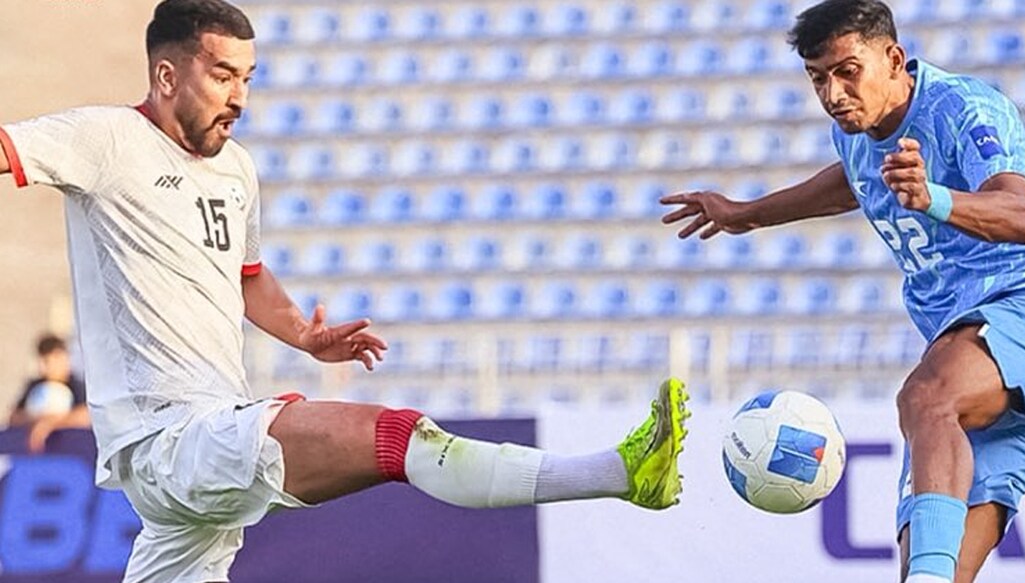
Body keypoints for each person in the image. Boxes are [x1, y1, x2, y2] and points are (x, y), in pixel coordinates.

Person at [0, 0, 690, 580]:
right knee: (393, 435)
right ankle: (616, 472)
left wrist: (302, 332)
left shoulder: (235, 169)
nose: (239, 97)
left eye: (248, 77)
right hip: (171, 441)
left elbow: (246, 275)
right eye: (222, 75)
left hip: (203, 440)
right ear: (166, 74)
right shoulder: (108, 138)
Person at [661, 1, 1025, 582]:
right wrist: (747, 214)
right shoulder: (857, 134)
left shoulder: (963, 108)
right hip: (975, 363)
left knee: (925, 398)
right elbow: (853, 181)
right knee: (928, 571)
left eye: (847, 72)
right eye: (818, 78)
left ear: (893, 59)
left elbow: (1022, 216)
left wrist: (935, 198)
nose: (833, 94)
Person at [9, 333, 92, 453]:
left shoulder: (76, 385)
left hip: (70, 452)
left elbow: (86, 416)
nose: (48, 367)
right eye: (45, 362)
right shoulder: (34, 386)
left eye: (54, 360)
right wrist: (36, 420)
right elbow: (14, 416)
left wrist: (50, 424)